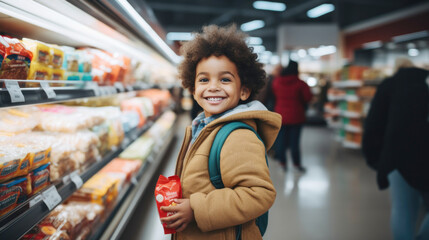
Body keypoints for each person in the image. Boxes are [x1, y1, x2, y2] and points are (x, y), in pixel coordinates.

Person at [159, 25, 281, 240]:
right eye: (204, 80)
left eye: (225, 79)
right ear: (193, 87)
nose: (213, 87)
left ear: (244, 90)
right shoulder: (203, 126)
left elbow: (259, 194)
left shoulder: (238, 136)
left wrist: (196, 209)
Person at [362, 58, 429, 240]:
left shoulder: (389, 85)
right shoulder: (425, 82)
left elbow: (373, 124)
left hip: (397, 155)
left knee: (403, 210)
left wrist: (374, 158)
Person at [272, 60, 312, 171]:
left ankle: (282, 163)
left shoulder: (277, 82)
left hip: (280, 115)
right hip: (296, 116)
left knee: (280, 141)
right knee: (295, 142)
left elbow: (275, 94)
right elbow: (308, 98)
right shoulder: (301, 84)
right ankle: (296, 165)